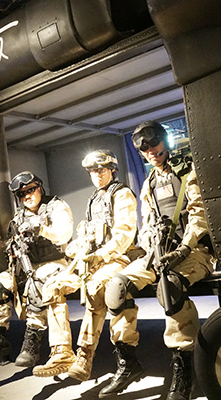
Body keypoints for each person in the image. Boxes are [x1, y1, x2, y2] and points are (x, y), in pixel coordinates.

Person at [98, 121, 217, 399]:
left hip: (195, 251)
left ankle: (184, 369)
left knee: (170, 287)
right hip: (160, 252)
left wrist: (184, 248)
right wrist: (146, 251)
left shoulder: (188, 171)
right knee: (116, 287)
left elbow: (200, 214)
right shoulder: (149, 182)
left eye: (154, 144)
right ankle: (128, 363)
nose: (150, 151)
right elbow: (149, 223)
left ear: (165, 141)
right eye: (144, 149)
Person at [32, 149, 138, 382]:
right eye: (92, 171)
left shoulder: (121, 195)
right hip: (90, 262)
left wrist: (99, 256)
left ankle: (85, 357)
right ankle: (61, 352)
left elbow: (124, 236)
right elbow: (88, 234)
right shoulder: (95, 199)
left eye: (101, 170)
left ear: (112, 170)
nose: (96, 174)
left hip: (116, 259)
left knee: (94, 288)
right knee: (52, 286)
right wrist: (75, 247)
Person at [0, 171, 73, 368]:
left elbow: (64, 234)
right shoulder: (19, 217)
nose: (27, 196)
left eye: (31, 190)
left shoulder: (56, 206)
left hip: (54, 262)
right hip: (27, 265)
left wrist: (40, 229)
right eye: (22, 194)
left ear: (40, 188)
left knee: (37, 287)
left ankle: (31, 347)